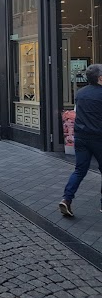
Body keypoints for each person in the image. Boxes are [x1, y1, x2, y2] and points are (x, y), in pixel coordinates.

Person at [59, 64, 102, 217]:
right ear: (100, 78)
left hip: (81, 137)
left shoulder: (80, 93)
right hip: (98, 138)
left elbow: (78, 112)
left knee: (79, 170)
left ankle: (66, 199)